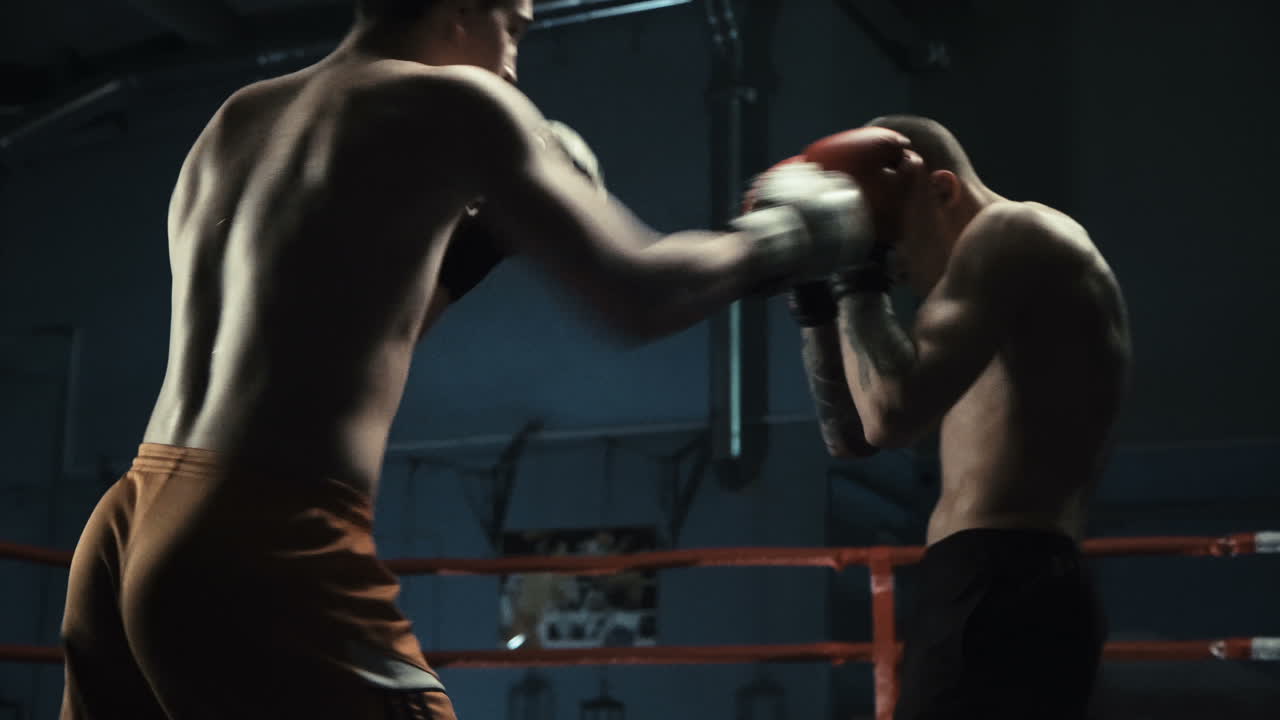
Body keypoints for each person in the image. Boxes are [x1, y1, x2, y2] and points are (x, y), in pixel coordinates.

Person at [57, 0, 883, 718]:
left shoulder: (240, 118)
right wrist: (789, 238)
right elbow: (640, 293)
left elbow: (335, 337)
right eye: (514, 29)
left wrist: (480, 251)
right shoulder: (459, 103)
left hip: (131, 523)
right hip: (263, 535)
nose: (515, 63)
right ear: (459, 6)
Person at [785, 115, 1132, 719]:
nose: (894, 266)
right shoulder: (982, 295)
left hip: (1005, 581)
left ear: (941, 190)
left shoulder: (1013, 232)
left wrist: (858, 272)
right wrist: (815, 301)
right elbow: (852, 434)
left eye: (891, 239)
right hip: (990, 581)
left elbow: (892, 417)